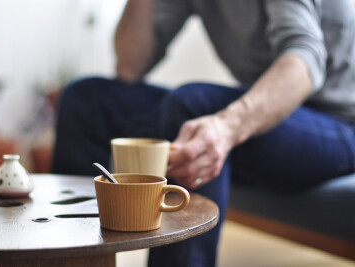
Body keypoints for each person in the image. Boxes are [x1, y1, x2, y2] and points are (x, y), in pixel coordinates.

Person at [51, 0, 355, 266]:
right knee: (86, 99)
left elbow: (305, 63)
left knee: (195, 105)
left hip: (337, 127)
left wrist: (226, 127)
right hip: (271, 116)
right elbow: (130, 66)